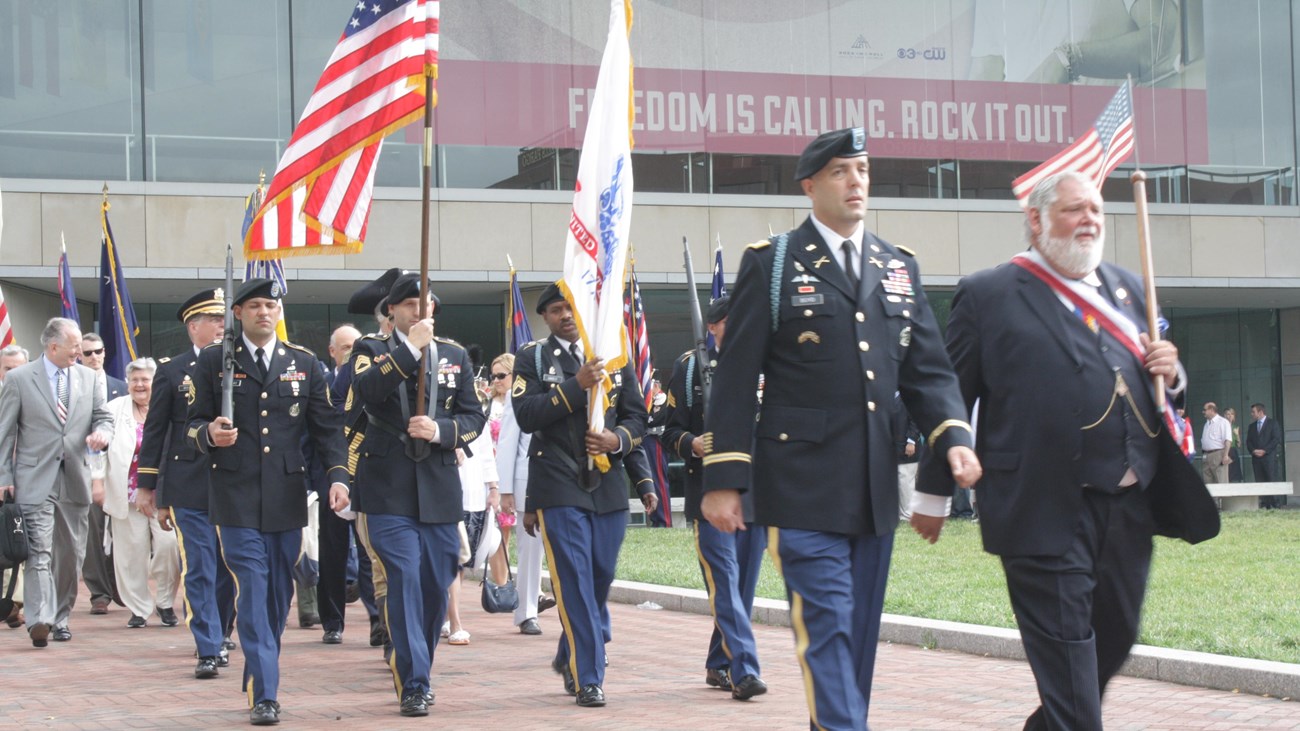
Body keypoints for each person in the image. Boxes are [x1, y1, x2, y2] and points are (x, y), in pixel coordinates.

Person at [915, 170, 1218, 731]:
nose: (1090, 221)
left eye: (1096, 211)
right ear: (1036, 219)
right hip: (1042, 507)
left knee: (1115, 639)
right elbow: (950, 393)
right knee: (1073, 676)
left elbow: (1161, 386)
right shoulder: (988, 293)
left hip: (1128, 507)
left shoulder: (1128, 287)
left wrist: (1173, 375)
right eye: (1075, 210)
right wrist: (933, 491)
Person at [701, 127, 980, 730]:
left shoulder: (898, 267)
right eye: (840, 172)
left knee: (855, 637)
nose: (857, 182)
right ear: (809, 185)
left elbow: (928, 373)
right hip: (800, 488)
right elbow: (734, 377)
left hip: (875, 490)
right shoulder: (772, 263)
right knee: (826, 624)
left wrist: (954, 438)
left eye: (863, 170)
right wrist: (724, 478)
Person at [186, 278, 350, 726]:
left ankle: (260, 667)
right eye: (254, 305)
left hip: (286, 495)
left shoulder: (304, 364)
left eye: (270, 305)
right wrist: (209, 435)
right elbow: (192, 423)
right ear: (237, 313)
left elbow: (327, 430)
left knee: (278, 596)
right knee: (254, 590)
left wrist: (338, 477)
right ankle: (266, 693)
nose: (264, 312)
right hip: (234, 496)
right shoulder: (216, 362)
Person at [345, 273, 486, 717]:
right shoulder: (371, 351)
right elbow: (367, 393)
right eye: (407, 305)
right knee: (404, 577)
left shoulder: (456, 356)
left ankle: (414, 660)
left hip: (439, 487)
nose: (418, 311)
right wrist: (409, 350)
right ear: (391, 312)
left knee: (435, 581)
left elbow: (473, 417)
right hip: (387, 486)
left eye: (424, 304)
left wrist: (441, 430)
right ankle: (414, 681)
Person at [512, 282, 649, 708]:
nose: (566, 316)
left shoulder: (614, 354)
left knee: (600, 576)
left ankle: (570, 650)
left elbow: (637, 416)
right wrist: (576, 385)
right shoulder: (532, 357)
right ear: (546, 318)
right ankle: (590, 676)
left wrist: (618, 440)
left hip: (607, 484)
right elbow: (528, 414)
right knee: (573, 581)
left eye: (571, 308)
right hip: (557, 482)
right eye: (556, 310)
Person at [661, 294, 768, 699]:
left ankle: (718, 663)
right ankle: (745, 671)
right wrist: (693, 443)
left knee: (741, 591)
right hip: (708, 496)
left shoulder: (764, 364)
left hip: (754, 495)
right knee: (723, 583)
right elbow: (669, 431)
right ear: (713, 326)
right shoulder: (690, 369)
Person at [136, 288, 238, 678]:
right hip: (188, 482)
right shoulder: (172, 369)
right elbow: (157, 430)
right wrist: (150, 487)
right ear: (193, 326)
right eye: (213, 320)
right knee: (199, 564)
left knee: (228, 565)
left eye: (223, 319)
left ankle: (223, 630)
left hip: (232, 481)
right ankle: (207, 645)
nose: (220, 326)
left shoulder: (238, 364)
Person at [0, 317, 113, 648]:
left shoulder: (89, 379)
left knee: (71, 554)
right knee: (38, 551)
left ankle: (60, 616)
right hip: (34, 479)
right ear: (53, 346)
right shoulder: (20, 379)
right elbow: (5, 433)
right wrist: (4, 475)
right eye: (75, 346)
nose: (81, 351)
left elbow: (103, 416)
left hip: (75, 477)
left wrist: (102, 434)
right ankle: (39, 618)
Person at [100, 357, 180, 628]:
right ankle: (139, 608)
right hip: (126, 494)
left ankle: (166, 602)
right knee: (131, 555)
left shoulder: (170, 408)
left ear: (155, 382)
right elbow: (99, 451)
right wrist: (97, 481)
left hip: (163, 495)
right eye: (134, 380)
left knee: (169, 548)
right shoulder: (113, 410)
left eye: (145, 379)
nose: (139, 385)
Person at [494, 354, 557, 636]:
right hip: (527, 481)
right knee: (530, 550)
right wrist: (505, 489)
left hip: (561, 479)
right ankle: (527, 612)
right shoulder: (518, 396)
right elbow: (508, 442)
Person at [316, 323, 363, 644]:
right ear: (332, 351)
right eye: (345, 347)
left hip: (366, 474)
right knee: (332, 551)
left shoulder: (372, 379)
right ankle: (332, 621)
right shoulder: (322, 384)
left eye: (355, 346)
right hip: (331, 476)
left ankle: (377, 619)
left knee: (370, 549)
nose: (351, 352)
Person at [79, 331, 124, 615]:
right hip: (86, 468)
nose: (94, 357)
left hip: (119, 469)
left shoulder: (122, 386)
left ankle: (120, 585)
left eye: (99, 351)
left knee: (122, 528)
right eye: (88, 353)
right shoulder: (75, 387)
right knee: (93, 531)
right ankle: (99, 591)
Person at [0, 343, 29, 629]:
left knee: (17, 539)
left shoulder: (36, 395)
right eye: (7, 369)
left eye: (18, 369)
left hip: (27, 480)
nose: (12, 375)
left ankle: (15, 603)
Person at [893, 392, 924, 521]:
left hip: (908, 446)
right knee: (899, 481)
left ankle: (908, 514)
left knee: (905, 480)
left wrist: (911, 440)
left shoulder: (910, 396)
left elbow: (917, 420)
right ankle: (901, 512)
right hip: (893, 446)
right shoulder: (889, 395)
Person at [1247, 402, 1284, 507]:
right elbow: (1248, 441)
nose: (1251, 414)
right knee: (1260, 480)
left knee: (1271, 479)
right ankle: (1264, 503)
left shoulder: (1273, 423)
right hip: (1256, 460)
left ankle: (1275, 504)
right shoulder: (1252, 426)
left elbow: (1276, 439)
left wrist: (1264, 450)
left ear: (1260, 412)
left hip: (1269, 458)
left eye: (1253, 412)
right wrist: (1253, 450)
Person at [1200, 402, 1231, 484]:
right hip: (1206, 455)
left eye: (1205, 410)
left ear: (1211, 410)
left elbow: (1228, 440)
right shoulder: (1206, 424)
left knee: (1221, 481)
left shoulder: (1223, 422)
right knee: (1208, 483)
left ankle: (1223, 497)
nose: (1203, 412)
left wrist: (1225, 455)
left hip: (1218, 454)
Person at [1224, 407, 1244, 483]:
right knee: (1226, 473)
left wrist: (1237, 435)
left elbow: (1239, 445)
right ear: (1224, 415)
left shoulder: (1235, 427)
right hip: (1225, 450)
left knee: (1234, 474)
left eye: (1231, 414)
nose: (1229, 416)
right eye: (1227, 414)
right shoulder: (1222, 426)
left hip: (1233, 451)